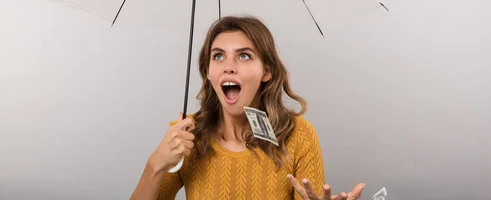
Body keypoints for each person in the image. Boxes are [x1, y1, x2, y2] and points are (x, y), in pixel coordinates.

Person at [129, 15, 366, 200]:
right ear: (208, 71)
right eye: (218, 56)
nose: (229, 66)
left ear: (266, 71)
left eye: (244, 56)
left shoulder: (299, 136)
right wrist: (156, 163)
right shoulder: (186, 136)